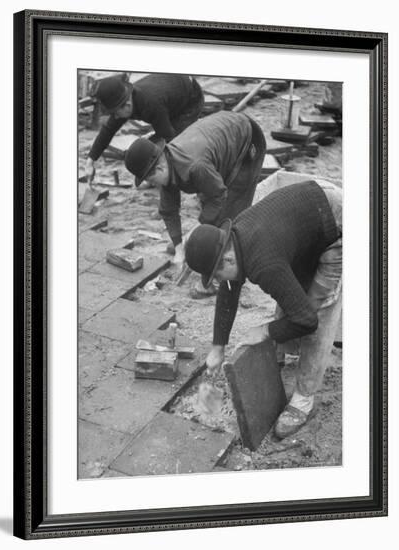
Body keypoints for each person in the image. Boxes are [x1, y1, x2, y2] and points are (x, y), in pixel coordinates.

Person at [184, 179, 342, 438]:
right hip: (306, 215)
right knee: (291, 296)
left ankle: (303, 399)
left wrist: (266, 330)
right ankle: (279, 355)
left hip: (334, 222)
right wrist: (217, 347)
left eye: (217, 274)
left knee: (317, 311)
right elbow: (229, 288)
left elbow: (307, 320)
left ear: (228, 257)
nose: (219, 282)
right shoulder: (234, 241)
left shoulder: (263, 262)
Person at [124, 110, 266, 292]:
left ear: (159, 167)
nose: (152, 185)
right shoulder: (166, 162)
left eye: (151, 180)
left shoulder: (195, 166)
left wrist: (196, 232)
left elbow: (218, 197)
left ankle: (217, 279)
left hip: (247, 139)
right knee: (208, 200)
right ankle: (201, 251)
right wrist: (179, 247)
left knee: (230, 212)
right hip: (219, 144)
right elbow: (168, 210)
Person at [85, 73, 204, 182]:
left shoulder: (150, 104)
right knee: (154, 146)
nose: (114, 117)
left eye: (115, 113)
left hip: (190, 99)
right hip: (170, 97)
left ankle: (181, 178)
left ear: (127, 105)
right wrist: (90, 161)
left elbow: (168, 139)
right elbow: (108, 130)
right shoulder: (124, 101)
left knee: (175, 144)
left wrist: (165, 176)